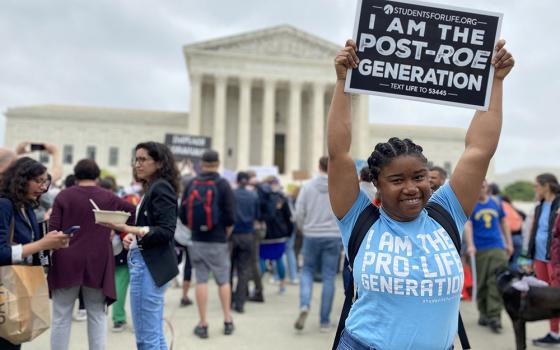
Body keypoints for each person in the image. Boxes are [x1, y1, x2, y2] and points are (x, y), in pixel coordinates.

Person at [327, 39, 513, 350]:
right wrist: (343, 81)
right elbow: (338, 154)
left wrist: (496, 81)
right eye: (397, 180)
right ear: (377, 184)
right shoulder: (358, 218)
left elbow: (479, 150)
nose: (412, 188)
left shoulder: (446, 213)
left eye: (419, 177)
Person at [48, 160, 135, 350]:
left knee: (61, 316)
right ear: (97, 176)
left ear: (76, 175)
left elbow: (53, 230)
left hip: (66, 260)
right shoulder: (108, 196)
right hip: (98, 261)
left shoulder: (63, 196)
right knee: (97, 314)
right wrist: (122, 229)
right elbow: (133, 211)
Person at [100, 142, 180, 349]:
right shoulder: (153, 186)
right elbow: (153, 228)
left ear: (160, 162)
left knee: (146, 337)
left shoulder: (160, 187)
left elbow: (166, 231)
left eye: (143, 159)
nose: (137, 164)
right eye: (136, 159)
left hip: (149, 266)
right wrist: (133, 237)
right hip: (147, 263)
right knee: (152, 334)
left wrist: (129, 229)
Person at [0, 157, 69, 349]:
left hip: (19, 284)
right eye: (38, 181)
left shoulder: (27, 207)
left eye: (45, 182)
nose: (43, 186)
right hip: (5, 283)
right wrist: (41, 244)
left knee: (13, 338)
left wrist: (52, 244)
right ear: (21, 179)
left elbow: (34, 247)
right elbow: (1, 253)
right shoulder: (4, 205)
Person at [180, 150, 235, 339]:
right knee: (223, 280)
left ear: (201, 164)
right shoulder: (223, 184)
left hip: (197, 239)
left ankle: (203, 324)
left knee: (201, 280)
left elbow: (182, 214)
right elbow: (230, 216)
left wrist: (194, 228)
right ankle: (227, 320)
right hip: (218, 239)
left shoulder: (192, 183)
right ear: (218, 164)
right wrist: (225, 233)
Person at [294, 156, 342, 332]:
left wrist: (304, 227)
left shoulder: (307, 186)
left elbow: (299, 212)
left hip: (312, 234)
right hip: (333, 235)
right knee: (329, 276)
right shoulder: (337, 186)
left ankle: (305, 305)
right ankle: (324, 321)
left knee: (307, 271)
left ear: (318, 166)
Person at [463, 180, 513, 333]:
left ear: (487, 188)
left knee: (495, 281)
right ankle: (484, 313)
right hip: (479, 250)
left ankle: (494, 316)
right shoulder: (470, 205)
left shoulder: (496, 203)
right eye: (478, 186)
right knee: (482, 283)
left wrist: (508, 243)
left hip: (497, 247)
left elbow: (504, 222)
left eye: (483, 186)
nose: (480, 189)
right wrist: (470, 245)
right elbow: (468, 225)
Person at [527, 173, 560, 346]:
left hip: (555, 259)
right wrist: (529, 257)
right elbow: (534, 231)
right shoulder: (539, 205)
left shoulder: (559, 204)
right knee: (548, 298)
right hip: (539, 257)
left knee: (556, 296)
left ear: (546, 185)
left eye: (537, 185)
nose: (535, 188)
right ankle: (554, 334)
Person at [230, 171, 260, 313]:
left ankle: (229, 299)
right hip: (247, 234)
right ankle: (240, 303)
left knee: (229, 269)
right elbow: (257, 215)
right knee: (243, 270)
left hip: (232, 235)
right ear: (247, 181)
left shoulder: (232, 194)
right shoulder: (253, 196)